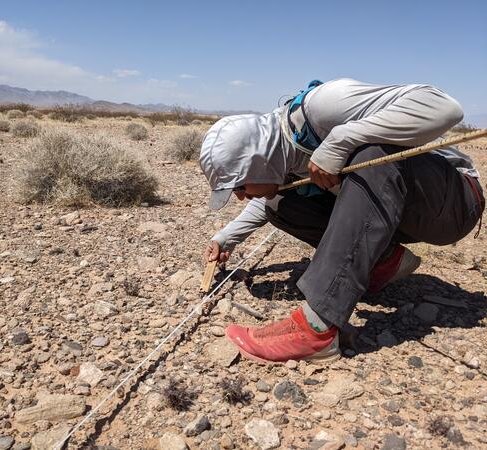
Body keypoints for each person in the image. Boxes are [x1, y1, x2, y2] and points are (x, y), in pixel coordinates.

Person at [199, 78, 484, 364]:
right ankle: (386, 261)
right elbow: (267, 200)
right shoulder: (283, 156)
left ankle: (317, 330)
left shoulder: (322, 107)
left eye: (239, 187)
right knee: (279, 205)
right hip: (404, 209)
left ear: (257, 162)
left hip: (453, 203)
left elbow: (446, 108)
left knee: (373, 154)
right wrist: (225, 238)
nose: (240, 197)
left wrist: (341, 140)